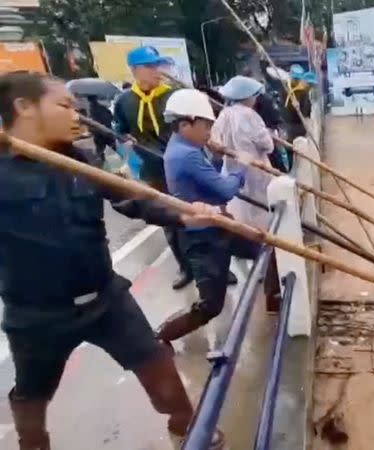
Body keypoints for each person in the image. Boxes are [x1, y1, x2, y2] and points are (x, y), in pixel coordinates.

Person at [0, 72, 225, 449]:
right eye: (64, 106)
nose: (77, 115)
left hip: (107, 300)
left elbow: (132, 199)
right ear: (24, 108)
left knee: (158, 367)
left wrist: (186, 215)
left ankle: (187, 427)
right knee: (32, 396)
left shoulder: (78, 159)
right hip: (37, 317)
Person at [113, 46, 236, 290]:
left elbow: (199, 125)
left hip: (186, 167)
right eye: (150, 66)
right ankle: (186, 267)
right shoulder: (125, 100)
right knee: (171, 222)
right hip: (153, 169)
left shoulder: (175, 96)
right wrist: (126, 140)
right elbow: (120, 128)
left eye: (159, 65)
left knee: (206, 215)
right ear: (135, 70)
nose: (157, 71)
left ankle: (221, 266)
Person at [156, 89, 261, 343]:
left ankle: (278, 302)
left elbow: (208, 177)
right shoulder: (186, 154)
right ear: (184, 124)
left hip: (219, 224)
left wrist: (216, 155)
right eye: (205, 126)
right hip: (203, 237)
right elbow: (225, 189)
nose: (209, 132)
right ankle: (160, 337)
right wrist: (242, 165)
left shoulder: (185, 146)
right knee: (211, 305)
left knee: (265, 249)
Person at [214, 75, 276, 228]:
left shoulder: (223, 115)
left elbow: (215, 142)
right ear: (248, 97)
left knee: (240, 207)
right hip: (255, 169)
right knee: (260, 210)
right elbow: (268, 145)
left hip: (231, 169)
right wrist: (270, 136)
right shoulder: (250, 115)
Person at [87, 95, 114, 162]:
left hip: (98, 133)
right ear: (96, 99)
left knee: (100, 148)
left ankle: (103, 161)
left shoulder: (91, 110)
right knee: (112, 146)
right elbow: (111, 117)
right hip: (107, 130)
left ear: (89, 101)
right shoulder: (103, 108)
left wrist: (90, 130)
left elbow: (90, 122)